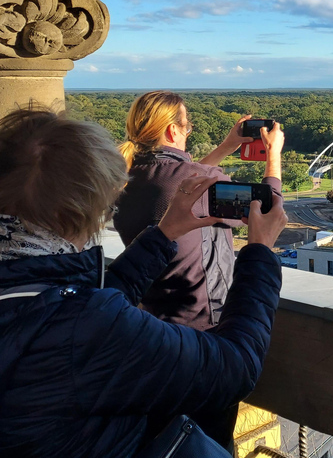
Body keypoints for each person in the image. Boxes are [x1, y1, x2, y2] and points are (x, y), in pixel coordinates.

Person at [0, 108, 289, 457]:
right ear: (68, 216)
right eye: (101, 211)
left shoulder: (28, 285)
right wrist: (259, 252)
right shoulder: (87, 328)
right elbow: (237, 367)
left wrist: (165, 234)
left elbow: (74, 306)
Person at [114, 90, 284, 331]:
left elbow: (182, 182)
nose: (188, 131)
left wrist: (227, 146)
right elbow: (268, 209)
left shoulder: (126, 175)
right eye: (187, 126)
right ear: (173, 131)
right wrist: (273, 155)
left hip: (150, 317)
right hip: (201, 323)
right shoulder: (196, 180)